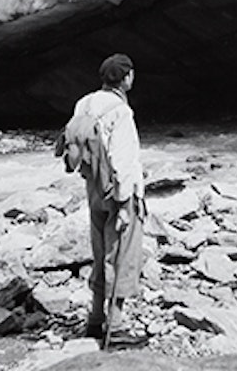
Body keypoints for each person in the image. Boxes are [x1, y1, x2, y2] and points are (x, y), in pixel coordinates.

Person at [63, 53, 145, 345]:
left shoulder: (83, 103)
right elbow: (124, 159)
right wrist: (124, 204)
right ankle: (117, 327)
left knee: (100, 253)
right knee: (121, 254)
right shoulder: (121, 111)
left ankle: (95, 320)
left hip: (93, 188)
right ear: (127, 78)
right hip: (116, 193)